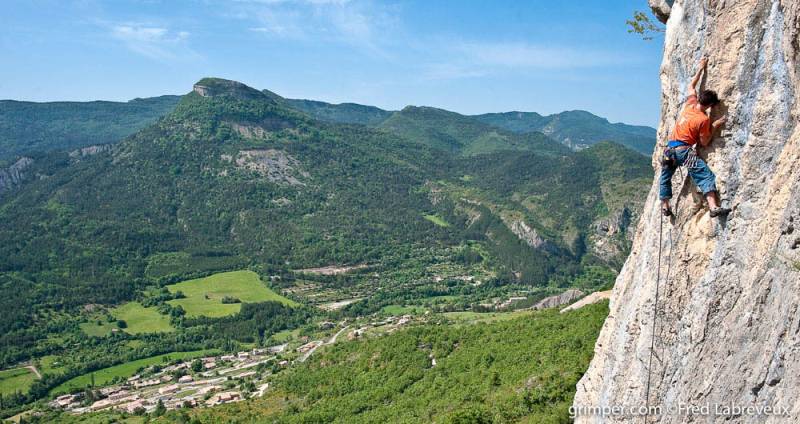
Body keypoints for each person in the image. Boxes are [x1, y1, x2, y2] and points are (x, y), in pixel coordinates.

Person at [659, 58, 729, 218]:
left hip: (669, 150)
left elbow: (691, 86)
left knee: (665, 176)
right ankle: (713, 206)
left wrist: (701, 68)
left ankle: (665, 206)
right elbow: (704, 142)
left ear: (700, 99)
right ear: (710, 106)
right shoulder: (703, 120)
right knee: (703, 173)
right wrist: (716, 124)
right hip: (684, 152)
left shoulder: (690, 104)